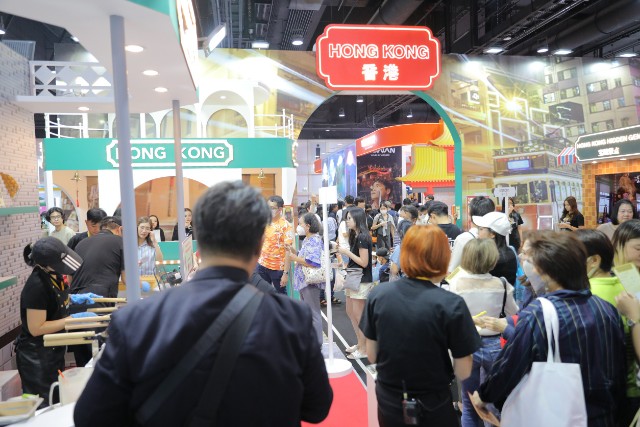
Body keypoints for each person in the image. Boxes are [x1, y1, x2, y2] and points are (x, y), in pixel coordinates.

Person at [74, 181, 333, 426]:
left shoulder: (135, 320)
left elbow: (91, 417)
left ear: (201, 240)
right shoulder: (291, 319)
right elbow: (317, 408)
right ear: (259, 243)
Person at [472, 231, 626, 427]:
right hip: (603, 416)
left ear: (545, 270)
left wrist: (484, 395)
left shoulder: (540, 312)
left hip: (559, 416)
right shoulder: (606, 309)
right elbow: (619, 368)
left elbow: (511, 364)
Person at [360, 225, 480, 426]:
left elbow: (372, 354)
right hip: (434, 402)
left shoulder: (378, 295)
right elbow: (464, 370)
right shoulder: (451, 304)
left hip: (390, 399)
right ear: (443, 257)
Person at [449, 239, 518, 427]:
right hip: (495, 345)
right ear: (492, 259)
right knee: (493, 402)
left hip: (466, 346)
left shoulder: (455, 284)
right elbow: (514, 312)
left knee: (469, 403)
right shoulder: (501, 284)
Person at [576, 229, 640, 424]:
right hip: (632, 389)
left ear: (594, 260)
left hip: (600, 393)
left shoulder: (586, 295)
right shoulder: (631, 283)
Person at [16, 237, 89, 406]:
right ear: (46, 264)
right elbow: (36, 328)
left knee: (56, 400)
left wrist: (73, 299)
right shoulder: (36, 286)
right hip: (37, 358)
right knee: (43, 406)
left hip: (53, 351)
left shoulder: (53, 275)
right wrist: (70, 320)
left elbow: (53, 300)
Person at [70, 216, 125, 367]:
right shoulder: (120, 242)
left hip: (75, 299)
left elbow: (70, 275)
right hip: (99, 298)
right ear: (119, 229)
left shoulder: (81, 243)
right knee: (99, 352)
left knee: (82, 353)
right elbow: (128, 279)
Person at [337, 207, 373, 360]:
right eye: (347, 218)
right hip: (353, 276)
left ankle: (364, 349)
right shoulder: (355, 235)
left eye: (349, 218)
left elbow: (364, 262)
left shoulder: (363, 237)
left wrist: (346, 252)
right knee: (351, 312)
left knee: (359, 315)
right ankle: (360, 344)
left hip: (361, 279)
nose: (347, 221)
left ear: (357, 219)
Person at [286, 213, 325, 345]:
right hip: (304, 282)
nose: (299, 226)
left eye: (301, 224)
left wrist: (295, 258)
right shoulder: (308, 240)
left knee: (314, 313)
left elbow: (313, 262)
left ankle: (317, 343)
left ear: (307, 226)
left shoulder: (314, 240)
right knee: (309, 312)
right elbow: (304, 256)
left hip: (310, 282)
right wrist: (293, 251)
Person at [256, 195, 293, 295]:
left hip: (277, 268)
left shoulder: (286, 226)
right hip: (262, 265)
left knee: (281, 296)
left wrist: (285, 273)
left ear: (280, 209)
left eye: (272, 208)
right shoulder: (264, 222)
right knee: (262, 294)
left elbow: (288, 252)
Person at [449, 196, 495, 273]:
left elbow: (454, 269)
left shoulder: (463, 239)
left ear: (470, 214)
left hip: (467, 279)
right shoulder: (495, 236)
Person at [474, 211, 518, 286]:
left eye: (481, 229)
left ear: (492, 234)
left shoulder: (494, 259)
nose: (477, 232)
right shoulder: (509, 251)